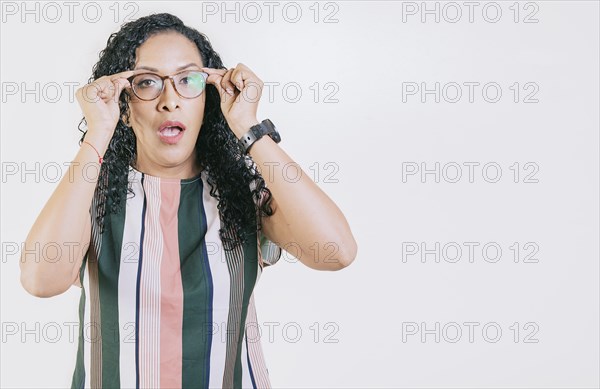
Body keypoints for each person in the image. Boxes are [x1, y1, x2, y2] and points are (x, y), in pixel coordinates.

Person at [19, 12, 357, 388]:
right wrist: (98, 132)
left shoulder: (241, 193)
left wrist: (249, 126)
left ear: (207, 100)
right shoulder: (93, 193)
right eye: (147, 82)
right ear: (126, 107)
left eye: (188, 81)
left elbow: (336, 251)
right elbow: (40, 279)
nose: (170, 100)